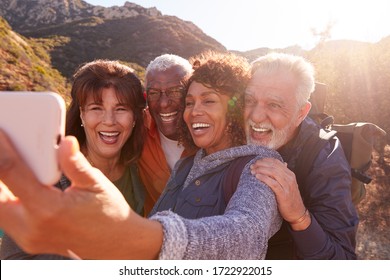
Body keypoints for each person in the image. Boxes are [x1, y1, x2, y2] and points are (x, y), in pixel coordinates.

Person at [0, 51, 282, 260]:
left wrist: (135, 237)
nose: (192, 110)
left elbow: (247, 233)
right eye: (190, 101)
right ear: (82, 115)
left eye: (208, 101)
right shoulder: (184, 164)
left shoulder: (259, 165)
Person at [0, 59, 146, 259]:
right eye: (96, 108)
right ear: (81, 115)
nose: (110, 121)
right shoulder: (46, 177)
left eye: (121, 109)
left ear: (135, 117)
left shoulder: (140, 169)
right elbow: (14, 261)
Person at [245, 52, 359, 259]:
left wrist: (299, 216)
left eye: (274, 105)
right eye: (249, 100)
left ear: (301, 113)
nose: (256, 116)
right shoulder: (232, 132)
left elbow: (343, 260)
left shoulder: (323, 157)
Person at [139, 54, 193, 214]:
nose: (163, 103)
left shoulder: (212, 136)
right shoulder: (136, 131)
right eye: (154, 93)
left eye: (176, 91)